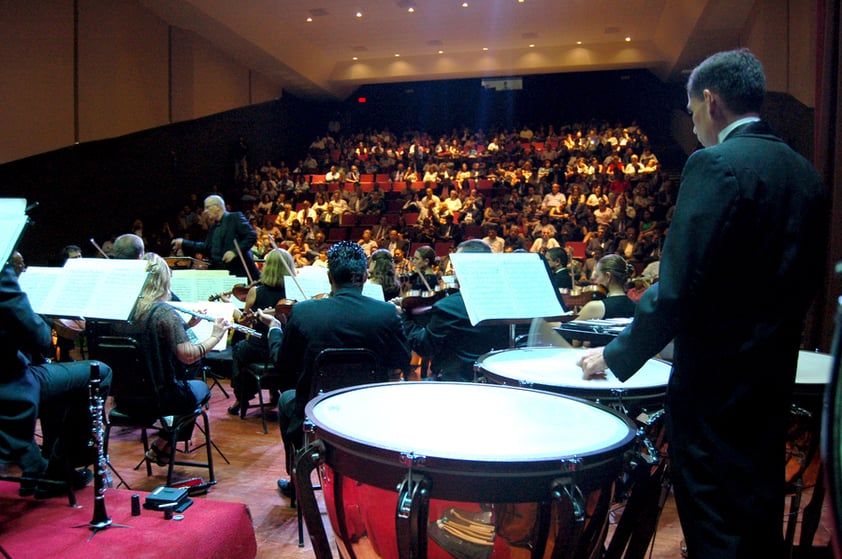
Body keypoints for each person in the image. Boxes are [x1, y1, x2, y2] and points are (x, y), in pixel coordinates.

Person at [577, 49, 828, 559]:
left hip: (715, 386)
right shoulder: (806, 173)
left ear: (710, 101)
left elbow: (678, 285)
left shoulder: (714, 164)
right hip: (773, 377)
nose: (692, 128)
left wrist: (617, 354)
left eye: (692, 113)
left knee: (713, 523)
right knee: (754, 514)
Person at [256, 241, 411, 497]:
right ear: (363, 277)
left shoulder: (304, 312)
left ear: (329, 278)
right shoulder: (385, 313)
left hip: (316, 411)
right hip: (370, 410)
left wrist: (274, 330)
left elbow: (282, 368)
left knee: (286, 399)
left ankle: (297, 479)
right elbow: (403, 361)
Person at [0, 261, 112, 498]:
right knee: (99, 372)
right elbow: (39, 338)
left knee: (56, 379)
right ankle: (58, 470)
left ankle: (36, 460)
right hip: (9, 384)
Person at [116, 253, 228, 465]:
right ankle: (164, 443)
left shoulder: (122, 309)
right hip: (160, 399)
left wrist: (185, 325)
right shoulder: (163, 313)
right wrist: (216, 334)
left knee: (184, 391)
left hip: (125, 398)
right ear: (165, 280)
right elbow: (188, 356)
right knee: (198, 389)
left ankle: (164, 449)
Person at [402, 239, 510, 382]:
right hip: (496, 379)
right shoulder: (509, 302)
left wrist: (405, 317)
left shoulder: (449, 307)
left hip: (457, 382)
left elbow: (424, 347)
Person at [227, 248, 296, 417]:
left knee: (239, 349)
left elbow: (245, 321)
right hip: (285, 348)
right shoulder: (293, 293)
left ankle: (241, 398)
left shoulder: (255, 291)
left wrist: (229, 305)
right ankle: (275, 391)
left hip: (259, 348)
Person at [172, 194, 261, 280]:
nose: (205, 211)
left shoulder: (234, 217)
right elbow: (206, 247)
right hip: (220, 273)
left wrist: (234, 252)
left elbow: (251, 236)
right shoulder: (214, 227)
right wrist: (184, 243)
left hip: (239, 274)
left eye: (207, 207)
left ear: (217, 207)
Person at [574, 254, 636, 320]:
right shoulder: (636, 307)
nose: (595, 281)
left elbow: (565, 327)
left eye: (597, 276)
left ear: (608, 276)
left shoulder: (594, 307)